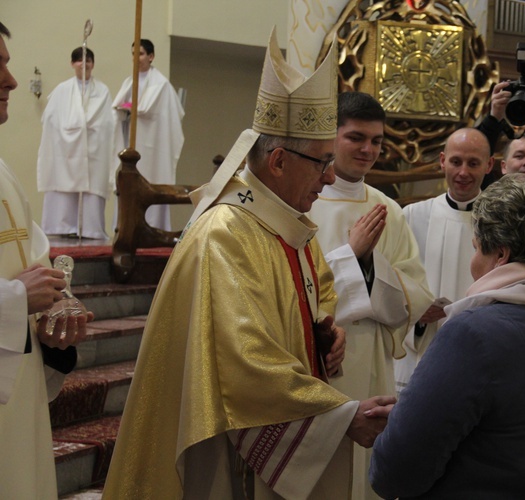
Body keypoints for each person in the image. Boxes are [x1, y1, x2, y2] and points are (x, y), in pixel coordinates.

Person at [102, 29, 394, 499]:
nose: (330, 177)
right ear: (278, 160)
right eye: (321, 163)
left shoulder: (288, 222)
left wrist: (324, 329)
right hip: (231, 446)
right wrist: (343, 417)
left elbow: (318, 286)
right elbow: (244, 363)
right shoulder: (226, 232)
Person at [370, 175, 525, 499]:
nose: (472, 262)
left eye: (475, 249)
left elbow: (394, 473)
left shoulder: (473, 333)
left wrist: (402, 426)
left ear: (500, 255)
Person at [307, 91, 434, 499]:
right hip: (317, 356)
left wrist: (368, 265)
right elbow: (290, 286)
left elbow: (414, 296)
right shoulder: (303, 202)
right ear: (333, 136)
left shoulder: (388, 210)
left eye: (377, 141)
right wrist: (352, 255)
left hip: (370, 357)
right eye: (356, 138)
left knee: (362, 478)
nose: (368, 150)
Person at [0, 22, 90, 499]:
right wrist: (16, 298)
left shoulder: (3, 174)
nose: (12, 80)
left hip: (20, 392)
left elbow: (38, 264)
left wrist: (55, 311)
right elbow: (21, 287)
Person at [394, 127, 494, 395]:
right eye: (455, 161)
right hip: (418, 350)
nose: (463, 172)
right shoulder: (412, 215)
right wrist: (414, 310)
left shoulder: (501, 222)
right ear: (442, 161)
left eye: (473, 163)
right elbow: (394, 279)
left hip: (480, 350)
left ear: (489, 165)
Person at [37, 47, 115, 240]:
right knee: (61, 181)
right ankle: (60, 227)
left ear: (93, 64)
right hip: (65, 149)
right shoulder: (62, 90)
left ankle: (90, 231)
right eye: (79, 60)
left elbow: (107, 122)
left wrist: (86, 127)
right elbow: (50, 120)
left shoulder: (102, 91)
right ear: (72, 64)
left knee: (93, 184)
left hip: (93, 148)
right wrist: (72, 129)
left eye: (88, 60)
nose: (84, 64)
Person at [112, 38, 184, 231]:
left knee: (152, 181)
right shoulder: (129, 83)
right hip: (132, 143)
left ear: (151, 57)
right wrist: (124, 110)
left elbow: (167, 117)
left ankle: (154, 227)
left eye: (141, 54)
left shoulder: (162, 86)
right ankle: (126, 227)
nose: (137, 58)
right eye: (133, 54)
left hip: (153, 145)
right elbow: (119, 110)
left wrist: (135, 110)